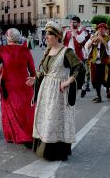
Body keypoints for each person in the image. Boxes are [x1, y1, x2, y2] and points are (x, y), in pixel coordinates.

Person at [27, 21, 82, 161]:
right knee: (46, 118)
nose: (46, 37)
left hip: (58, 91)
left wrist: (68, 81)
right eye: (45, 34)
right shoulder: (48, 51)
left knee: (54, 120)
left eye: (49, 34)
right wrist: (35, 79)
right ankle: (44, 148)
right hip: (46, 90)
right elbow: (44, 72)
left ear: (57, 36)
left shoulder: (66, 51)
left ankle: (55, 151)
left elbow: (79, 68)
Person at [0, 28, 36, 146]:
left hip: (8, 84)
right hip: (24, 84)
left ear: (7, 37)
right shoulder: (25, 50)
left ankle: (12, 135)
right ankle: (28, 134)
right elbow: (32, 70)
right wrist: (33, 81)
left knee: (9, 109)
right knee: (25, 110)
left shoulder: (2, 50)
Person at [85, 23, 110, 103]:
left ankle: (107, 90)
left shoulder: (109, 38)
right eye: (99, 29)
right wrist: (92, 42)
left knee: (105, 80)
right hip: (94, 62)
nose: (100, 30)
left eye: (102, 29)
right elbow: (86, 47)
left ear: (106, 30)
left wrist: (102, 40)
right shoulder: (93, 37)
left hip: (104, 63)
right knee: (95, 80)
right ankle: (99, 96)